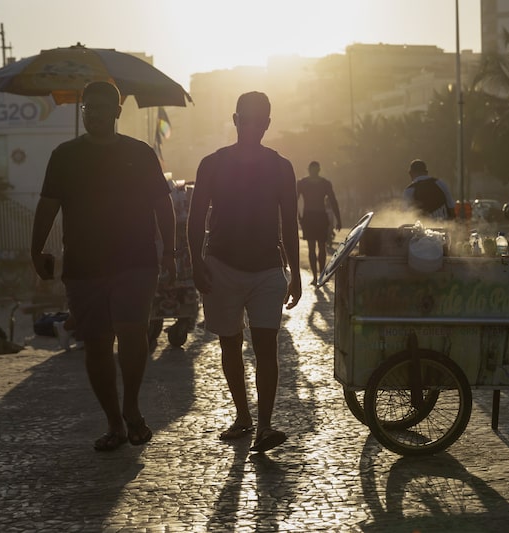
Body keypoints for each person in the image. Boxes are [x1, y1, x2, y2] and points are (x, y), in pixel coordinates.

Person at [30, 81, 176, 452]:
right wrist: (36, 250)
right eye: (87, 108)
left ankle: (131, 406)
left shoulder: (140, 153)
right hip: (84, 265)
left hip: (136, 261)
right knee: (96, 343)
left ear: (117, 111)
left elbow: (163, 205)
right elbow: (47, 206)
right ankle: (115, 422)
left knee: (132, 332)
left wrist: (171, 252)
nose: (93, 113)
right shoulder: (64, 155)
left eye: (100, 107)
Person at [187, 91, 302, 453]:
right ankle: (243, 416)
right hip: (220, 265)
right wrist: (195, 262)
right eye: (246, 119)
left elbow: (290, 222)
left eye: (260, 121)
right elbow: (194, 219)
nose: (252, 126)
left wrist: (295, 274)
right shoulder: (212, 164)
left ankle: (265, 425)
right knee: (230, 344)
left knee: (267, 347)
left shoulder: (282, 167)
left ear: (268, 124)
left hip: (268, 268)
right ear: (235, 120)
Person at [297, 161, 342, 286]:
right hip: (310, 217)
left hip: (319, 217)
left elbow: (333, 201)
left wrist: (338, 219)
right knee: (313, 248)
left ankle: (320, 275)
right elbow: (294, 200)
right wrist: (297, 216)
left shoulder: (324, 184)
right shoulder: (302, 183)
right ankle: (316, 276)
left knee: (321, 247)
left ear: (318, 170)